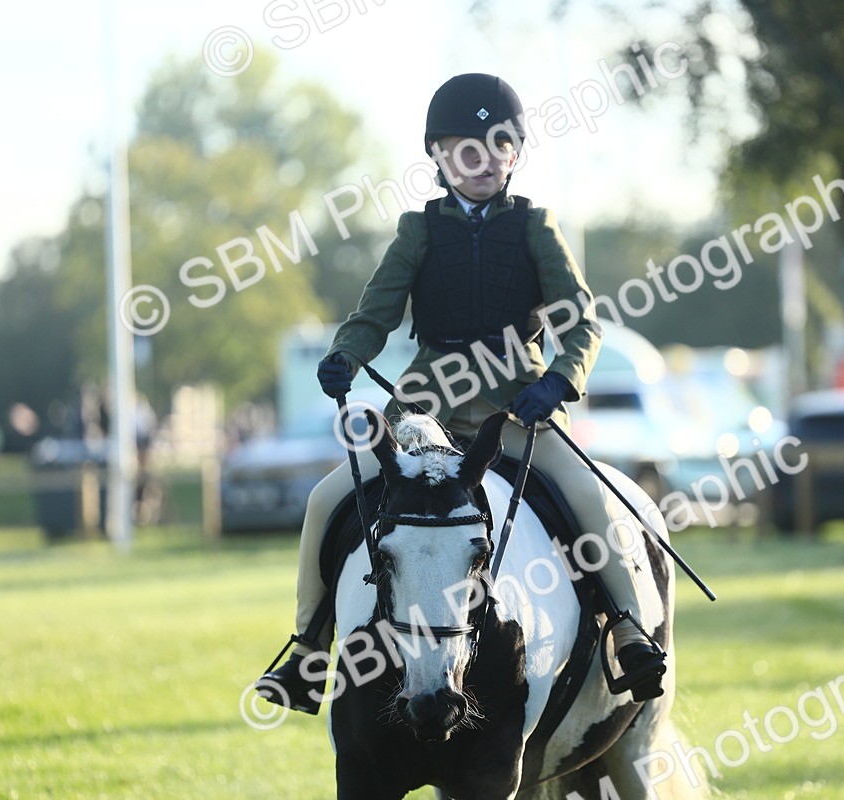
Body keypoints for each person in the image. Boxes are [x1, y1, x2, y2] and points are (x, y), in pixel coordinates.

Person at [259, 73, 665, 713]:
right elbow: (375, 315)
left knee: (589, 495)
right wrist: (345, 355)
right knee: (323, 499)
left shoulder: (536, 228)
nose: (480, 160)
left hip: (516, 407)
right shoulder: (418, 232)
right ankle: (309, 652)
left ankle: (629, 629)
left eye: (495, 145)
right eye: (463, 149)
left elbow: (580, 321)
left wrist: (558, 380)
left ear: (515, 153)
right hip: (426, 412)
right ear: (439, 157)